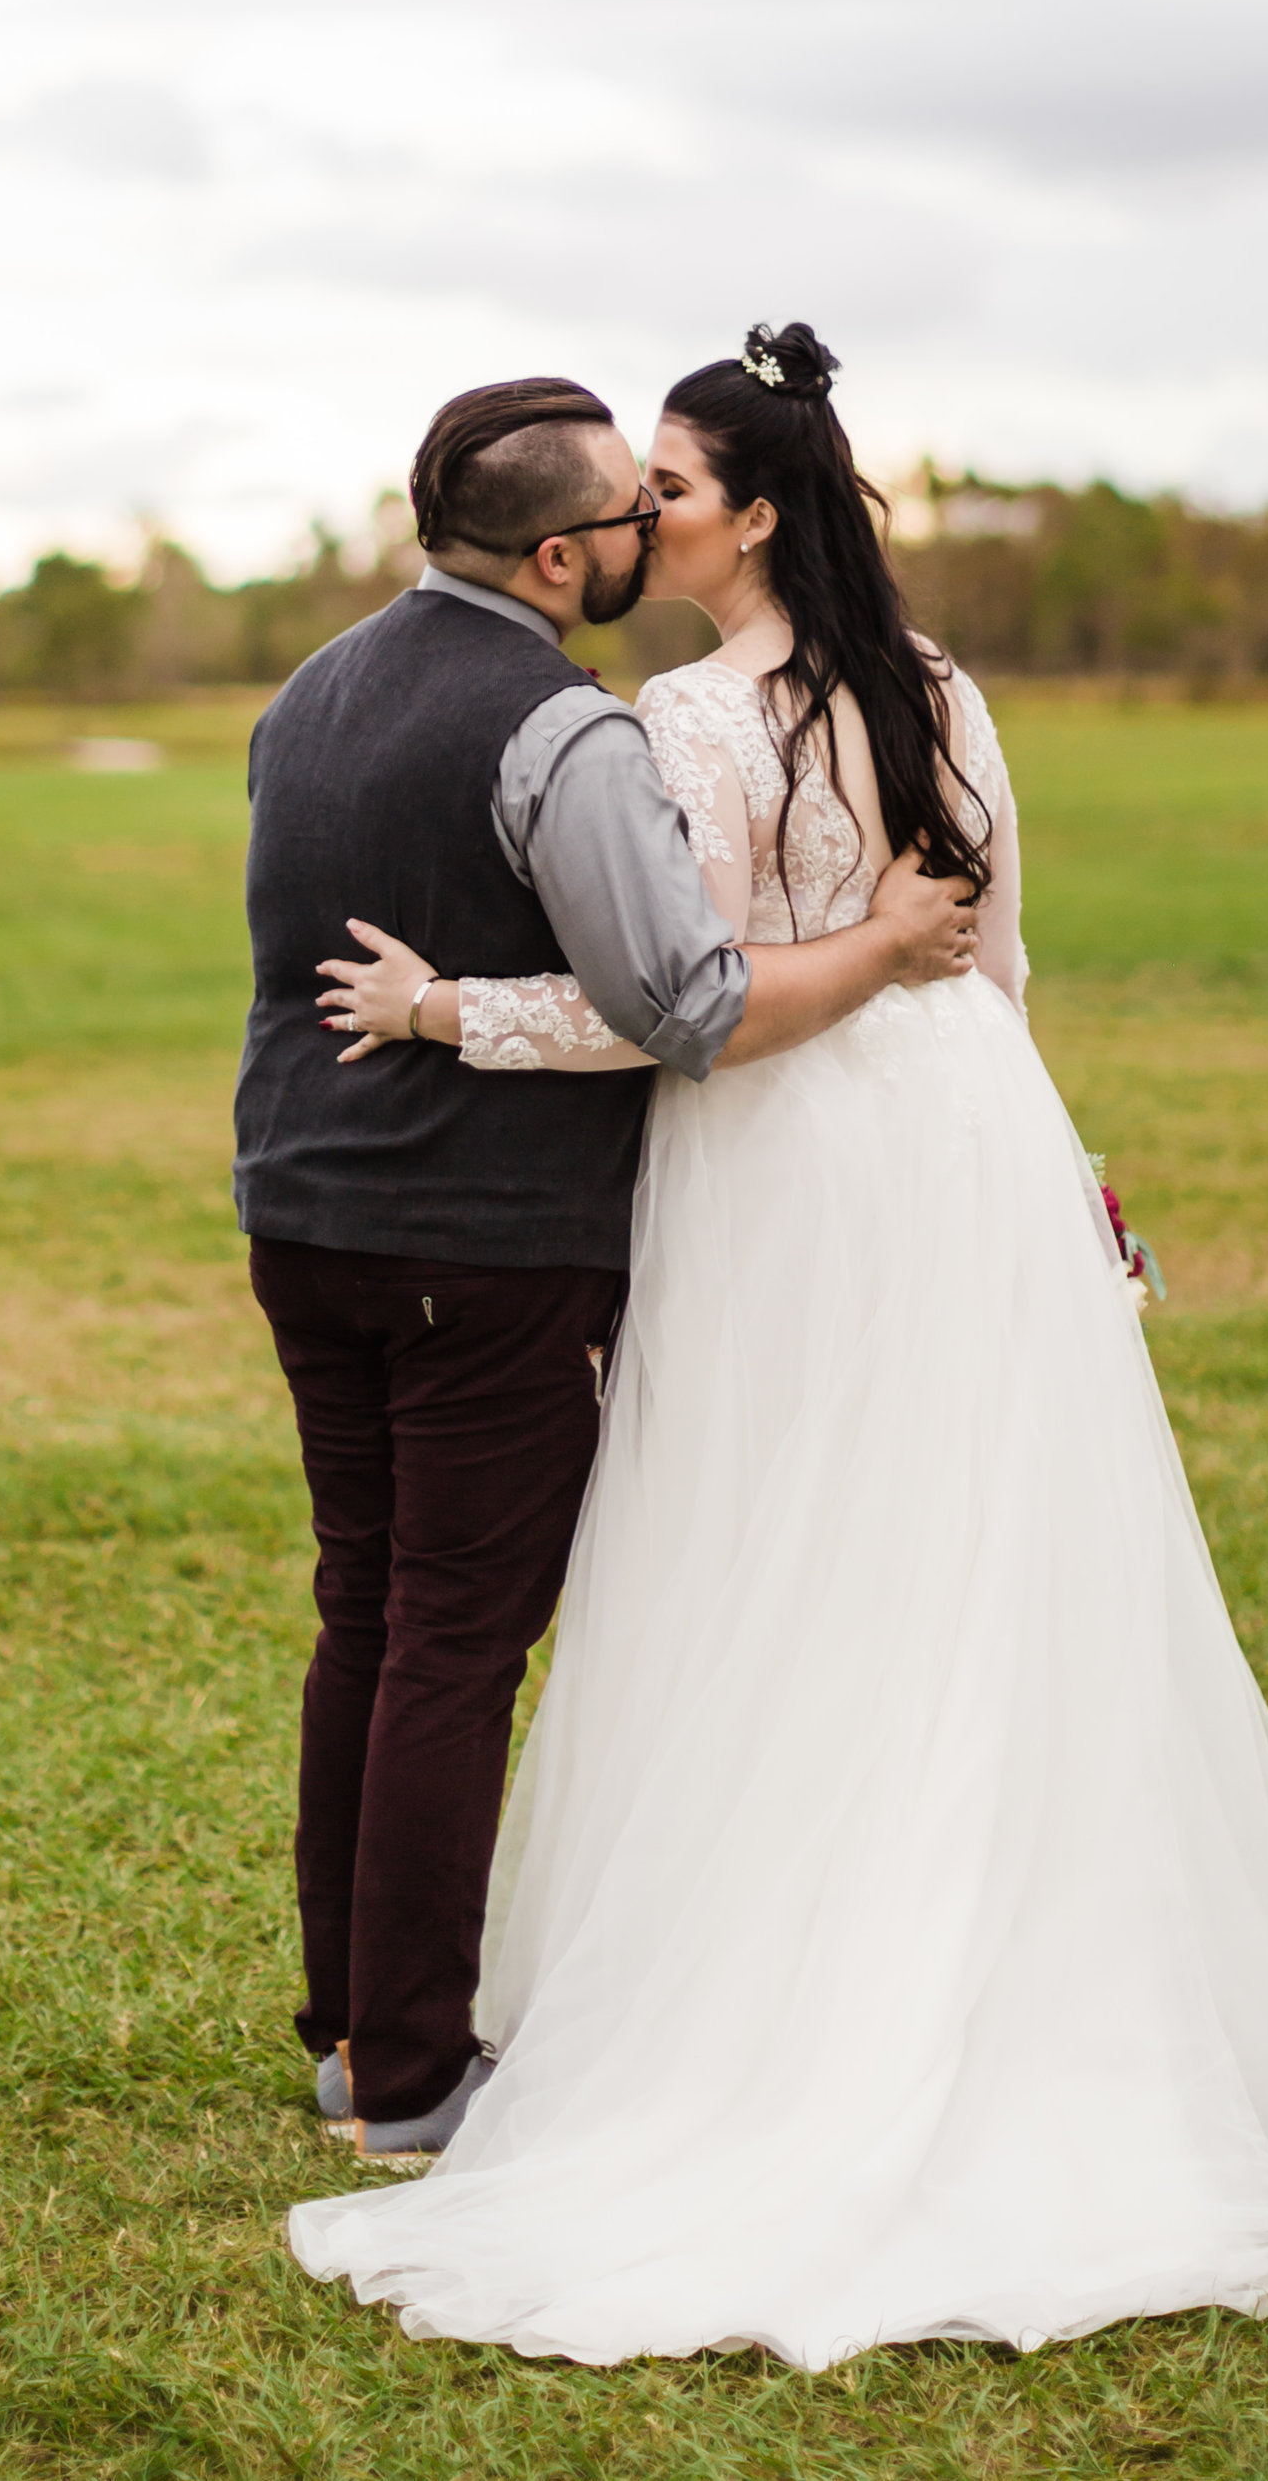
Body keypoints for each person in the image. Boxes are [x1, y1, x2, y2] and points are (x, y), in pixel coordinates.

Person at [289, 322, 1268, 2360]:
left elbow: (687, 1004)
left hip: (791, 1161)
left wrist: (453, 1007)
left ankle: (791, 1991)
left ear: (741, 512)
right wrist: (1063, 1178)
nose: (644, 508)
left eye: (669, 480)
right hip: (961, 1141)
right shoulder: (939, 692)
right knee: (949, 1555)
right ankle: (975, 1958)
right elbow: (990, 966)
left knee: (777, 1560)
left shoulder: (685, 722)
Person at [232, 372, 980, 2164]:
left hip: (299, 1219)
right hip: (476, 1244)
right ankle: (411, 2070)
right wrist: (882, 948)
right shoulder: (564, 732)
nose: (652, 533)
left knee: (368, 1609)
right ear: (566, 554)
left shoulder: (301, 693)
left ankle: (348, 2023)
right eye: (630, 516)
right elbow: (689, 1002)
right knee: (452, 1642)